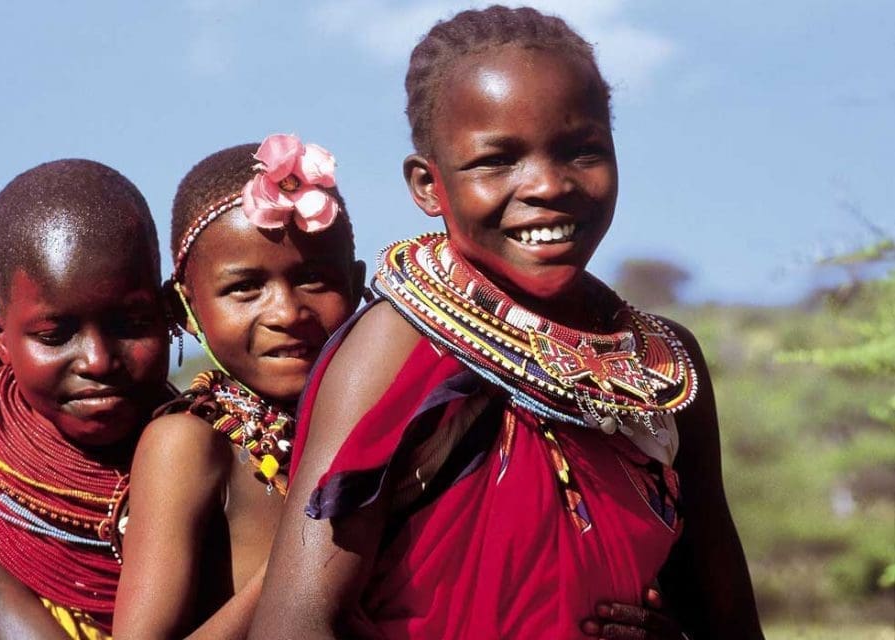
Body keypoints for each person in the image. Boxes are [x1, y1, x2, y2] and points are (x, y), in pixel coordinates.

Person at [250, 6, 763, 639]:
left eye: (583, 152)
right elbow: (293, 627)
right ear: (427, 185)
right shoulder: (394, 347)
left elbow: (726, 619)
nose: (548, 184)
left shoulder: (661, 367)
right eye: (497, 161)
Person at [111, 136, 365, 639]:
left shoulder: (380, 423)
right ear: (184, 309)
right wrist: (302, 555)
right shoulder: (188, 444)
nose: (287, 313)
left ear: (357, 286)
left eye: (314, 278)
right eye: (245, 287)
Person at [0, 159, 173, 640]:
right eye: (55, 334)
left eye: (130, 325)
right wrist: (272, 580)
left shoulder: (226, 455)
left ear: (168, 311)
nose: (97, 361)